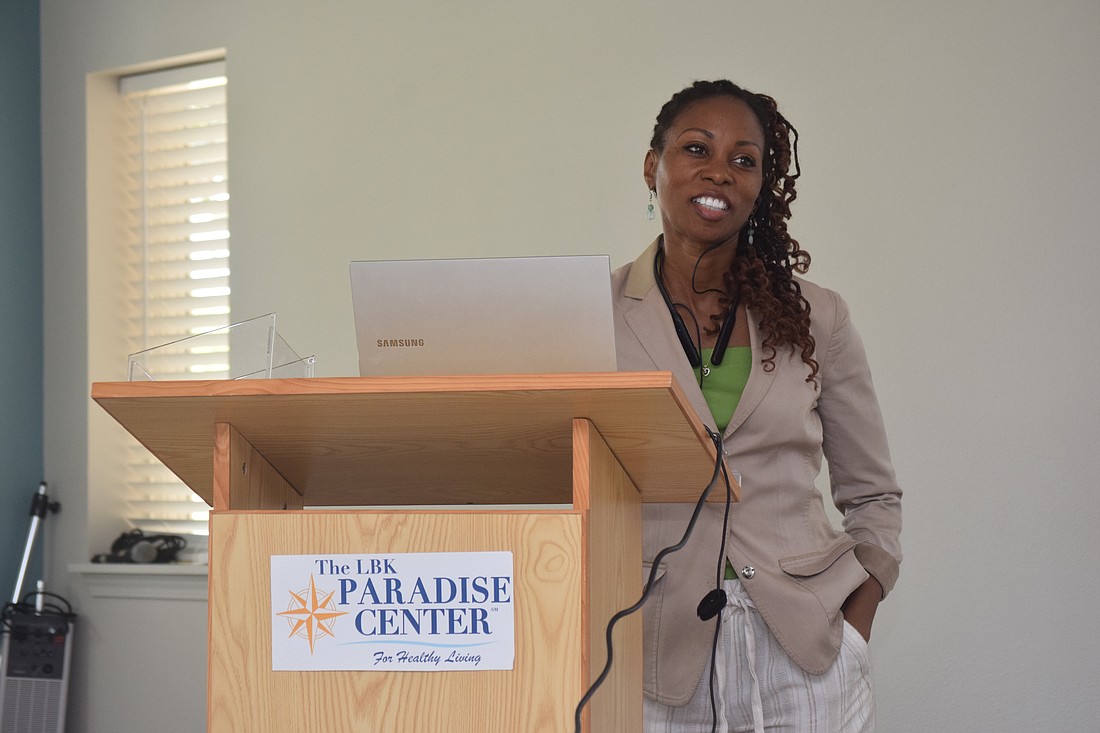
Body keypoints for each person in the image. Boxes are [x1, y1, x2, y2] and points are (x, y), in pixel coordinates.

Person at [612, 80, 902, 732]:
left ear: (761, 185)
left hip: (802, 645)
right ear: (653, 164)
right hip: (653, 654)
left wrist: (856, 625)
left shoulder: (817, 316)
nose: (720, 170)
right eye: (696, 148)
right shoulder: (593, 317)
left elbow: (874, 493)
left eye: (745, 159)